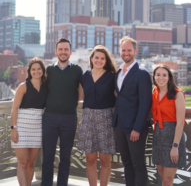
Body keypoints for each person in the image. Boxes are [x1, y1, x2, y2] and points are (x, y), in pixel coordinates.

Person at [42, 38, 83, 186]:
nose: (63, 52)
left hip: (70, 118)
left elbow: (85, 90)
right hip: (49, 118)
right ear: (56, 51)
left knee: (65, 158)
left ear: (70, 52)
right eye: (60, 49)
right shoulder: (49, 70)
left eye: (66, 50)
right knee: (48, 157)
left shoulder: (78, 70)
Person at [112, 36, 152, 186]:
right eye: (123, 50)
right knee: (127, 163)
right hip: (119, 126)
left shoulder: (142, 73)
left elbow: (145, 103)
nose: (126, 53)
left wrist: (137, 128)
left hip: (135, 128)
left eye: (129, 50)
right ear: (120, 51)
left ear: (135, 51)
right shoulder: (119, 72)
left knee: (138, 164)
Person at [78, 45, 117, 186]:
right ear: (91, 59)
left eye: (102, 58)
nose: (99, 61)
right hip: (88, 118)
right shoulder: (84, 76)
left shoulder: (112, 77)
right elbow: (79, 97)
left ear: (106, 60)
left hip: (105, 118)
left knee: (105, 160)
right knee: (90, 159)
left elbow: (120, 98)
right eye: (97, 58)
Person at [11, 57, 48, 186]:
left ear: (43, 70)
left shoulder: (46, 87)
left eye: (39, 69)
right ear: (29, 71)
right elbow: (14, 108)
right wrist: (13, 129)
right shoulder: (23, 86)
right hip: (21, 128)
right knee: (23, 162)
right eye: (33, 69)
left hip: (37, 128)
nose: (36, 71)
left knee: (31, 163)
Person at [152, 64, 186, 186]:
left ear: (169, 78)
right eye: (158, 75)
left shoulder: (178, 95)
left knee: (167, 180)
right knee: (162, 177)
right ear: (154, 77)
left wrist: (175, 146)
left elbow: (180, 123)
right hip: (158, 136)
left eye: (164, 75)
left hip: (173, 137)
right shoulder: (154, 93)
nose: (161, 78)